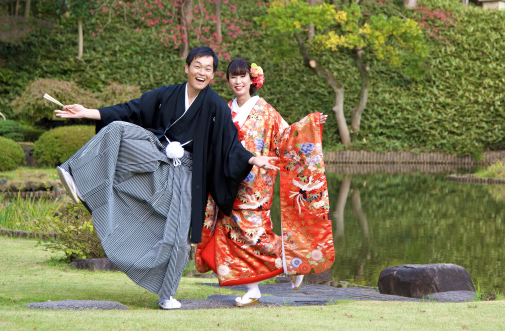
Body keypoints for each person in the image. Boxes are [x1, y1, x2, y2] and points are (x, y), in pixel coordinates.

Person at [53, 47, 277, 310]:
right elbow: (130, 110)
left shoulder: (215, 105)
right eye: (197, 66)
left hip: (187, 171)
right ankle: (76, 175)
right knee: (117, 129)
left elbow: (229, 144)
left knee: (179, 236)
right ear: (186, 68)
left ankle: (167, 294)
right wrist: (87, 112)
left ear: (213, 76)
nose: (202, 72)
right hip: (157, 154)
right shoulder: (167, 94)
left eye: (208, 69)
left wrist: (253, 159)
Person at [195, 58, 335, 306]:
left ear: (252, 80)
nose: (238, 81)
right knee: (231, 236)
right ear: (227, 80)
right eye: (233, 77)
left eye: (242, 76)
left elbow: (285, 137)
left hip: (255, 185)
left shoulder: (265, 110)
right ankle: (254, 288)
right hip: (228, 183)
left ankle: (293, 258)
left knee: (256, 236)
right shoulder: (224, 109)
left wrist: (308, 125)